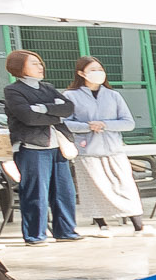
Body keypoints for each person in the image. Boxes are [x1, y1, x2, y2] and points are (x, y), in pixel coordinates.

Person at [1, 50, 80, 245]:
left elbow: (68, 108)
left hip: (57, 145)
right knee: (36, 191)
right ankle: (35, 234)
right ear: (20, 67)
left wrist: (43, 109)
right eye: (34, 63)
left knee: (64, 190)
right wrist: (53, 111)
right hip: (32, 146)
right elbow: (27, 117)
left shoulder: (48, 87)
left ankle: (66, 230)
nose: (40, 66)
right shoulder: (13, 90)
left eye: (39, 63)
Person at [61, 55, 143, 234]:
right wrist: (87, 126)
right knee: (94, 188)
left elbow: (128, 122)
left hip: (114, 149)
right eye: (92, 70)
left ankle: (138, 224)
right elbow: (64, 123)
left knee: (125, 185)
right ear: (81, 73)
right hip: (87, 150)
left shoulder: (113, 95)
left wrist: (105, 124)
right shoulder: (70, 96)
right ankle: (102, 224)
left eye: (100, 69)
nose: (98, 73)